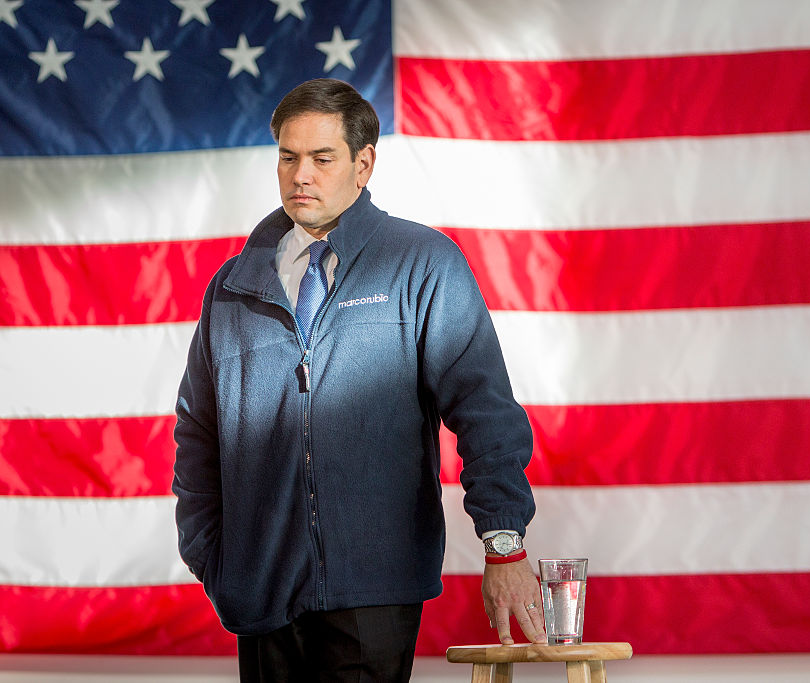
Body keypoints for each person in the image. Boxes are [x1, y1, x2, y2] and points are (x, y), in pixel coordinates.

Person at [172, 78, 545, 682]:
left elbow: (485, 410)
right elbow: (198, 430)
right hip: (260, 591)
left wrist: (504, 542)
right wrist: (213, 557)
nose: (301, 176)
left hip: (376, 588)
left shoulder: (421, 263)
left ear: (363, 164)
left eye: (322, 158)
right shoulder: (233, 286)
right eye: (288, 157)